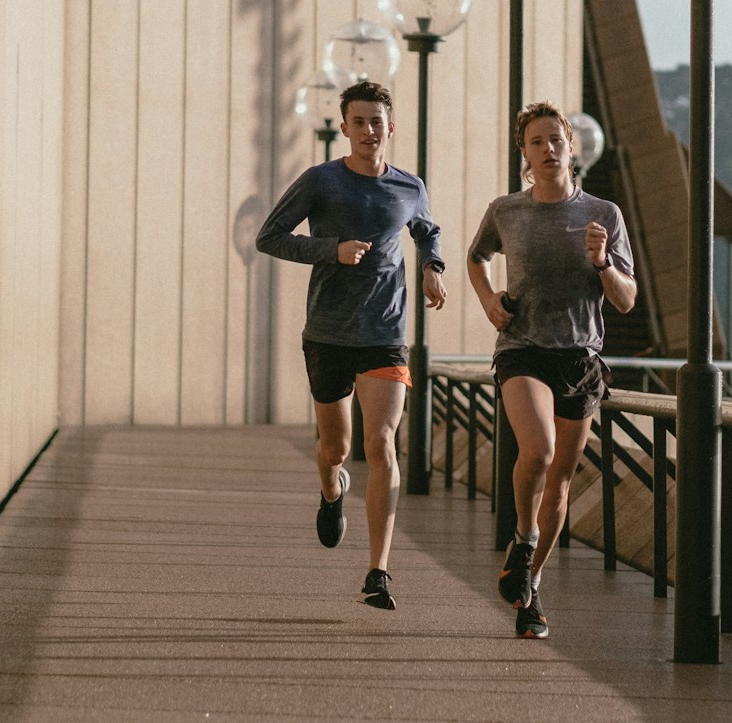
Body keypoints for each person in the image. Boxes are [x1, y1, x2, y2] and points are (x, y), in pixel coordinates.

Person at [256, 79, 446, 611]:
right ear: (344, 127)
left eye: (377, 122)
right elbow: (269, 236)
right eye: (358, 122)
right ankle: (331, 487)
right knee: (335, 447)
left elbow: (427, 230)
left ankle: (379, 572)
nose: (368, 131)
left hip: (386, 334)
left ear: (391, 127)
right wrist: (330, 251)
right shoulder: (321, 181)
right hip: (328, 333)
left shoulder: (409, 186)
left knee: (382, 443)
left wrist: (433, 267)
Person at [468, 101, 636, 638]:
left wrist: (604, 263)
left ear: (571, 147)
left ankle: (531, 589)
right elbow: (476, 258)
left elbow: (627, 300)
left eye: (555, 140)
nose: (547, 150)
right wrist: (489, 300)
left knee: (560, 482)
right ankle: (522, 537)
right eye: (536, 142)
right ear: (524, 152)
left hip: (580, 357)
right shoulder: (507, 210)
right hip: (521, 348)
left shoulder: (603, 215)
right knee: (536, 451)